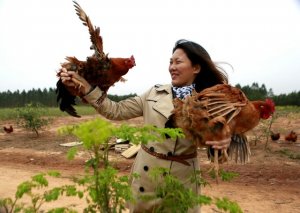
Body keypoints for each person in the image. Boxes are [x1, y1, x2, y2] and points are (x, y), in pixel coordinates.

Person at [59, 39, 231, 212]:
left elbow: (220, 145)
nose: (172, 67)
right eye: (170, 62)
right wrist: (85, 86)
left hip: (182, 180)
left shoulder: (210, 102)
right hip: (147, 178)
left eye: (178, 62)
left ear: (196, 68)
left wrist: (224, 141)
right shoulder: (153, 94)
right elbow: (115, 110)